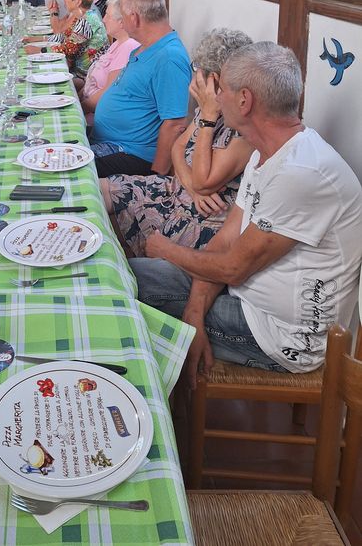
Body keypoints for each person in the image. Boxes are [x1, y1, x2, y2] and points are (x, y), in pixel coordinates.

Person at [139, 42, 362, 379]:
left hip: (281, 336)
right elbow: (225, 245)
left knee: (128, 297)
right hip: (242, 297)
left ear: (244, 100)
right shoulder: (265, 154)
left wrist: (164, 249)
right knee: (125, 275)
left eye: (221, 89)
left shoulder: (302, 172)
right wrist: (195, 312)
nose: (215, 98)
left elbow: (232, 267)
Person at [101, 27, 253, 258]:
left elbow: (205, 183)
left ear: (215, 78)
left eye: (198, 69)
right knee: (97, 189)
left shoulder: (242, 127)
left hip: (200, 217)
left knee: (116, 235)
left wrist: (209, 118)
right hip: (178, 190)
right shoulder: (211, 107)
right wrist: (191, 185)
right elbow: (177, 147)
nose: (195, 76)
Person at [90, 0, 191, 178]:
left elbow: (175, 123)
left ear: (134, 18)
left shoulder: (169, 58)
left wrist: (155, 177)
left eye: (123, 16)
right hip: (109, 140)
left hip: (131, 152)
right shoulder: (146, 46)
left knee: (69, 173)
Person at [26, 0, 108, 77]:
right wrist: (35, 39)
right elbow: (64, 36)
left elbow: (68, 49)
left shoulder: (88, 21)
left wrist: (40, 50)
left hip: (86, 74)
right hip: (76, 68)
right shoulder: (81, 15)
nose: (65, 0)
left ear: (78, 2)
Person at [78, 0, 140, 116]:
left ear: (121, 22)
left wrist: (79, 110)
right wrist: (77, 99)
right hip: (89, 106)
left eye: (107, 16)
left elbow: (108, 92)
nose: (104, 20)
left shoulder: (129, 47)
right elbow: (92, 79)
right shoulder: (117, 43)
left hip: (99, 115)